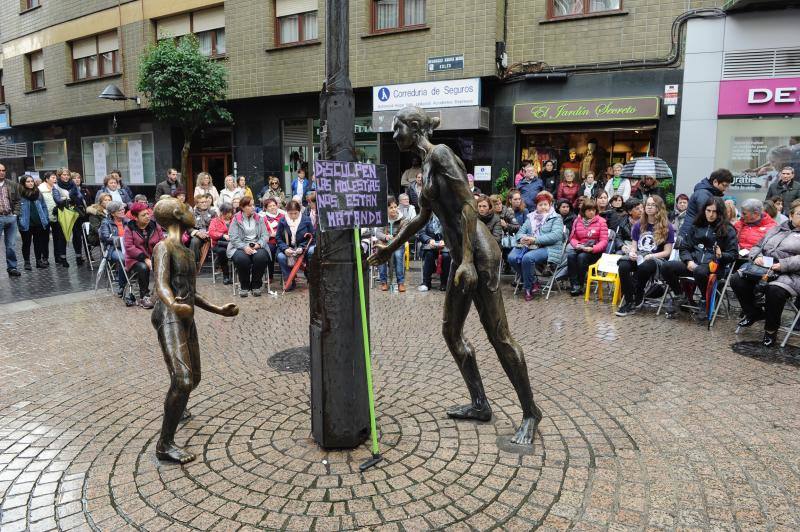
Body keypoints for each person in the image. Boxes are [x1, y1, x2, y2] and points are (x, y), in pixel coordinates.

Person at [368, 106, 542, 445]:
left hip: (478, 255)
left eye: (397, 128)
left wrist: (465, 261)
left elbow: (467, 206)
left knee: (499, 337)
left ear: (415, 127)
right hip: (462, 256)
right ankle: (480, 403)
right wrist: (391, 247)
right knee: (451, 331)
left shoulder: (443, 154)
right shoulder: (426, 166)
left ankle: (531, 411)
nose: (393, 135)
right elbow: (421, 218)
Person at [150, 197, 238, 464]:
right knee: (183, 379)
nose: (192, 212)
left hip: (186, 315)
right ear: (177, 214)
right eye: (187, 209)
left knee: (194, 378)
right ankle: (164, 444)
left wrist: (218, 309)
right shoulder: (163, 247)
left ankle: (179, 407)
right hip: (169, 315)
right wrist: (174, 305)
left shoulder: (187, 251)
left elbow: (191, 294)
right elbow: (162, 286)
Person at [732, 201, 800, 347]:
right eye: (799, 214)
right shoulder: (776, 229)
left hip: (791, 275)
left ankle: (770, 330)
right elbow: (757, 246)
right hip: (765, 269)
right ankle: (754, 312)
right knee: (737, 279)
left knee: (774, 290)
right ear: (790, 215)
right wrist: (757, 257)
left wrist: (783, 265)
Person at [662, 197, 737, 316]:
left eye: (714, 211)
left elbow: (733, 254)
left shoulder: (728, 230)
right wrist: (688, 261)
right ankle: (680, 295)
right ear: (704, 210)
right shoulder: (696, 226)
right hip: (693, 263)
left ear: (720, 212)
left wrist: (721, 255)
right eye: (708, 211)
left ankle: (704, 300)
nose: (711, 214)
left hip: (714, 266)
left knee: (700, 271)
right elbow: (684, 247)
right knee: (666, 266)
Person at [615, 196, 676, 316]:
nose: (649, 207)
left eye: (653, 205)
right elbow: (634, 246)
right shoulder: (638, 225)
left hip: (657, 258)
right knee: (623, 265)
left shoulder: (667, 226)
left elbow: (667, 252)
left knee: (644, 266)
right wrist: (632, 252)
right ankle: (629, 300)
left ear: (659, 208)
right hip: (640, 255)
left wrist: (652, 256)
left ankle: (638, 293)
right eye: (647, 204)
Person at [508, 191, 564, 301]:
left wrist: (535, 240)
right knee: (511, 257)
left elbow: (556, 236)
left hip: (548, 248)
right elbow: (519, 233)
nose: (543, 207)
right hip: (528, 246)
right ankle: (533, 281)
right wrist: (522, 238)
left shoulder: (556, 218)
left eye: (545, 204)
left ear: (550, 205)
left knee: (527, 258)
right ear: (536, 206)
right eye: (540, 205)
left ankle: (528, 288)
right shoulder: (531, 217)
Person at [226, 196, 270, 297]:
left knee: (261, 257)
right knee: (242, 259)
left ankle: (256, 285)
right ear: (243, 207)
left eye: (253, 205)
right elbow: (233, 237)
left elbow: (265, 235)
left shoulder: (260, 218)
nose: (253, 207)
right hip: (239, 246)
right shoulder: (236, 219)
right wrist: (244, 247)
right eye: (250, 205)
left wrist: (258, 244)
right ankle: (244, 286)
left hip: (257, 245)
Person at [124, 202, 164, 309]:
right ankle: (144, 296)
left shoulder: (155, 226)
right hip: (135, 259)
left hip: (154, 256)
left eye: (148, 214)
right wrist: (145, 258)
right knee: (143, 267)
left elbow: (162, 242)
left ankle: (164, 292)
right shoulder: (130, 228)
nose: (148, 216)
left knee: (169, 263)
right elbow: (129, 247)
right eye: (144, 215)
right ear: (136, 217)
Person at [566, 199, 609, 296]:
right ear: (584, 211)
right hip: (581, 247)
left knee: (582, 257)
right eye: (589, 210)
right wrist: (577, 245)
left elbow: (604, 241)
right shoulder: (577, 221)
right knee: (571, 256)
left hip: (595, 252)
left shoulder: (602, 222)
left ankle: (580, 285)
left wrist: (593, 248)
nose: (591, 212)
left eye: (593, 210)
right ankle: (574, 285)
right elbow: (572, 238)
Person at [680, 168, 734, 240]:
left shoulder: (706, 193)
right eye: (724, 185)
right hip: (690, 236)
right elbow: (707, 217)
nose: (726, 189)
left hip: (691, 234)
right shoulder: (703, 194)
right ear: (715, 182)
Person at [276, 200, 314, 291]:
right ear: (287, 212)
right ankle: (289, 279)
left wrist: (302, 247)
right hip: (288, 247)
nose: (293, 216)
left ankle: (310, 276)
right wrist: (285, 249)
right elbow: (278, 238)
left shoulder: (306, 220)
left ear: (299, 211)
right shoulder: (282, 221)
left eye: (295, 213)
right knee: (281, 257)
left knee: (312, 252)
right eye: (290, 213)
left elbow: (311, 236)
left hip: (303, 248)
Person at [375, 196, 409, 291]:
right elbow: (378, 233)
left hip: (397, 244)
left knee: (398, 256)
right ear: (386, 209)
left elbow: (404, 233)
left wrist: (395, 239)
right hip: (385, 244)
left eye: (395, 207)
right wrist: (385, 237)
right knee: (381, 255)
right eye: (391, 208)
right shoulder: (382, 218)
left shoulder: (403, 219)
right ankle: (383, 282)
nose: (394, 210)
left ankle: (400, 283)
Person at [53, 167, 84, 266]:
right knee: (63, 236)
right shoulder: (56, 186)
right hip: (63, 213)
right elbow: (57, 200)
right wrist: (70, 198)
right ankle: (63, 258)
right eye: (64, 175)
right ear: (59, 176)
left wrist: (67, 198)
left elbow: (80, 196)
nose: (66, 177)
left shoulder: (73, 184)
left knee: (77, 235)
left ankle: (79, 256)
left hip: (75, 212)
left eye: (67, 175)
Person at [17, 174, 49, 271]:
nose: (31, 183)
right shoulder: (20, 194)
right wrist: (19, 220)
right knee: (26, 243)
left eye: (32, 181)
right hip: (26, 223)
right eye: (28, 181)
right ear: (23, 183)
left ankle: (38, 261)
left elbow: (44, 206)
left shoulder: (37, 193)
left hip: (39, 222)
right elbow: (17, 208)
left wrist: (46, 217)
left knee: (38, 243)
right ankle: (27, 262)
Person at [99, 201, 129, 299]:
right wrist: (121, 239)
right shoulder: (106, 222)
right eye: (119, 210)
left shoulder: (127, 221)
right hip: (113, 249)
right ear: (112, 213)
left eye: (123, 209)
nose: (122, 211)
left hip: (128, 247)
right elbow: (106, 238)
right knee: (123, 259)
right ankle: (122, 286)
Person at [416, 213, 450, 292]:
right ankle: (426, 283)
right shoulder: (426, 216)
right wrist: (429, 240)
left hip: (444, 246)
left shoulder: (448, 216)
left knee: (446, 256)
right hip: (429, 246)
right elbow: (421, 233)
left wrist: (445, 241)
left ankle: (444, 283)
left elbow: (452, 232)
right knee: (429, 254)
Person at [0, 167, 20, 276]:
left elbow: (17, 200)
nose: (2, 172)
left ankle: (12, 267)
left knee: (11, 245)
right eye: (0, 170)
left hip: (10, 217)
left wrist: (15, 213)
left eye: (3, 170)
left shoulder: (11, 184)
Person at [208, 202, 234, 285]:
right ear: (223, 212)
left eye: (231, 212)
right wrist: (222, 235)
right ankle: (226, 276)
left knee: (237, 250)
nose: (230, 214)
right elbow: (211, 233)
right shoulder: (215, 221)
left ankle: (235, 276)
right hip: (219, 243)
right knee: (222, 251)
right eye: (228, 212)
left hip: (232, 243)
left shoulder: (234, 220)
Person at [261, 197, 284, 282]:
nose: (273, 207)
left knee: (284, 252)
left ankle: (287, 275)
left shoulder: (283, 216)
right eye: (270, 206)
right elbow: (261, 233)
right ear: (266, 208)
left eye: (274, 205)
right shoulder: (263, 218)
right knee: (269, 251)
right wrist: (270, 235)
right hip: (270, 241)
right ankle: (270, 275)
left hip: (282, 241)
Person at [38, 172, 57, 267]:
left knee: (57, 238)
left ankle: (58, 257)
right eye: (53, 177)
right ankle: (45, 257)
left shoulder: (56, 188)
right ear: (47, 179)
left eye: (55, 177)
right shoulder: (40, 189)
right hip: (45, 217)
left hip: (56, 216)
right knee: (44, 239)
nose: (55, 179)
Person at [189, 193, 215, 261]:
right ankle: (194, 263)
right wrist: (197, 233)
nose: (204, 204)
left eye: (205, 202)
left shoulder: (213, 213)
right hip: (198, 235)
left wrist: (208, 233)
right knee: (194, 241)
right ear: (197, 204)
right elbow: (188, 227)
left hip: (211, 235)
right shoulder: (192, 214)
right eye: (202, 202)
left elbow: (217, 226)